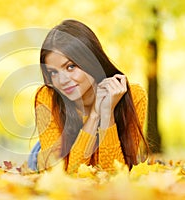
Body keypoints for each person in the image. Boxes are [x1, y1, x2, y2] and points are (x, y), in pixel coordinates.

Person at [28, 19, 149, 174]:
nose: (62, 81)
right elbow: (64, 176)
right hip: (52, 149)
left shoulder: (134, 96)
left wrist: (107, 114)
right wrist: (94, 115)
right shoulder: (47, 97)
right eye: (54, 72)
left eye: (70, 67)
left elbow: (114, 174)